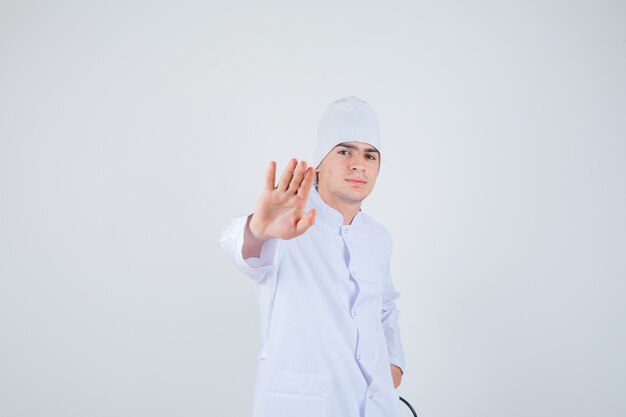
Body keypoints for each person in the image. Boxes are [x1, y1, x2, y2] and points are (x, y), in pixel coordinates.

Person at [220, 96, 405, 417]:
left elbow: (385, 306)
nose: (358, 164)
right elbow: (241, 248)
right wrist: (258, 228)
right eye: (345, 151)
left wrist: (394, 362)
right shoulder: (289, 222)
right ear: (320, 160)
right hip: (301, 404)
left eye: (370, 155)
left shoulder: (379, 237)